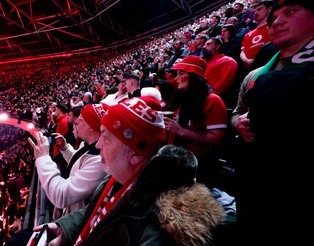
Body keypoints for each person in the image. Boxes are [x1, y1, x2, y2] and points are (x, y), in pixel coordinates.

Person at [33, 96, 225, 246]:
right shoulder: (119, 177)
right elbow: (99, 215)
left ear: (136, 154)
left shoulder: (156, 226)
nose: (98, 144)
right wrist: (65, 227)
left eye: (106, 137)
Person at [231, 0, 314, 244]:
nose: (276, 22)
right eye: (273, 18)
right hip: (257, 184)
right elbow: (236, 112)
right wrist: (238, 123)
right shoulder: (256, 73)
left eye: (290, 12)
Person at [28, 104, 107, 219]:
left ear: (91, 126)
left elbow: (61, 195)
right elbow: (79, 165)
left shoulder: (100, 160)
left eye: (81, 119)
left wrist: (43, 158)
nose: (76, 122)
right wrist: (65, 148)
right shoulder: (86, 145)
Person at [164, 55, 228, 189]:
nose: (176, 78)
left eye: (181, 73)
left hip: (199, 167)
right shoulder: (179, 98)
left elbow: (216, 138)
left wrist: (181, 131)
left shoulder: (213, 101)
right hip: (175, 159)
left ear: (194, 76)